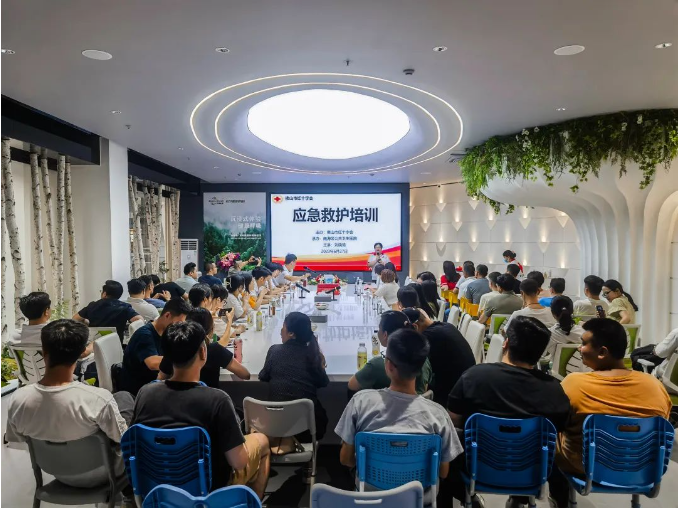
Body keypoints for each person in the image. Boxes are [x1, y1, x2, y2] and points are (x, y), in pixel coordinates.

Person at [132, 321, 270, 498]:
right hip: (208, 489)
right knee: (262, 441)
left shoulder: (145, 394)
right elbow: (239, 462)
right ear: (203, 352)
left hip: (156, 487)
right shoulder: (218, 400)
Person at [448, 316, 571, 508]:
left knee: (449, 440)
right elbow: (559, 429)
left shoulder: (475, 376)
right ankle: (521, 498)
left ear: (506, 343)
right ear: (540, 354)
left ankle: (466, 497)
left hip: (476, 466)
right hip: (531, 472)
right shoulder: (553, 389)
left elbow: (453, 419)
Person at [553, 319, 671, 508]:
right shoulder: (655, 386)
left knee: (548, 435)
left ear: (602, 352)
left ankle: (558, 499)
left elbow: (557, 419)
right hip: (642, 468)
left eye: (583, 343)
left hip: (585, 467)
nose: (579, 348)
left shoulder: (574, 383)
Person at [6, 320, 134, 488]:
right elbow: (122, 439)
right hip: (104, 472)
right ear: (82, 353)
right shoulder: (98, 399)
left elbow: (18, 441)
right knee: (124, 399)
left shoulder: (18, 399)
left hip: (55, 472)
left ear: (43, 351)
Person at [335, 328, 462, 494]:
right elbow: (443, 472)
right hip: (417, 496)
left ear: (388, 365)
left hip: (371, 494)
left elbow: (345, 459)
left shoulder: (360, 403)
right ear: (421, 367)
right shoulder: (438, 415)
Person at [259, 312, 330, 438]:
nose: (280, 331)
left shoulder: (275, 351)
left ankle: (287, 443)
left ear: (291, 333)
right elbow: (323, 382)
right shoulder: (313, 356)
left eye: (283, 327)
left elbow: (263, 376)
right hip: (307, 428)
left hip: (276, 425)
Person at [402, 307, 475, 406]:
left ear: (415, 327)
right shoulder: (446, 326)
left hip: (453, 394)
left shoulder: (427, 338)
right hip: (468, 384)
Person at [159, 307, 249, 387]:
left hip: (175, 397)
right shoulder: (215, 350)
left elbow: (160, 378)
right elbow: (245, 374)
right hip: (210, 398)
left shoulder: (175, 345)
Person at [348, 310, 432, 395]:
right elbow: (424, 388)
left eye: (379, 329)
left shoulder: (378, 364)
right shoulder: (423, 359)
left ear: (385, 335)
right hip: (419, 403)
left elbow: (352, 385)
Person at [121, 298, 192, 396]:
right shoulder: (145, 335)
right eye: (178, 323)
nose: (179, 327)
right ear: (167, 315)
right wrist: (187, 360)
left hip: (157, 383)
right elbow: (153, 363)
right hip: (140, 389)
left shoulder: (166, 332)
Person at [73, 280, 142, 340]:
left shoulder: (92, 305)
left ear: (104, 294)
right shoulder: (124, 307)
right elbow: (139, 319)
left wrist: (86, 323)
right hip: (115, 344)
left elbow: (75, 319)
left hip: (94, 344)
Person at [544, 295, 585, 360]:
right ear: (572, 311)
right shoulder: (584, 333)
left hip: (556, 367)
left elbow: (543, 354)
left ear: (553, 313)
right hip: (583, 366)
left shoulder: (548, 334)